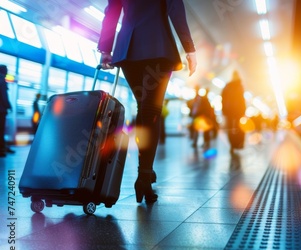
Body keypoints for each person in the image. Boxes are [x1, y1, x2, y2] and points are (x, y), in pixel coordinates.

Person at [98, 0, 197, 204]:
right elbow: (175, 8)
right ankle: (144, 176)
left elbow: (112, 12)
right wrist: (189, 48)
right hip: (158, 45)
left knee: (144, 108)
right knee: (151, 109)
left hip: (128, 47)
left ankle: (145, 174)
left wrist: (106, 48)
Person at [221, 71, 246, 154]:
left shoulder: (227, 86)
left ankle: (232, 144)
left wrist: (224, 109)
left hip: (229, 110)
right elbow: (242, 99)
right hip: (238, 110)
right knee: (239, 128)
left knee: (231, 128)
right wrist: (243, 110)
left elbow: (223, 98)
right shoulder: (240, 86)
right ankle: (238, 144)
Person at [0, 65, 12, 157]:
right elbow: (4, 96)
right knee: (1, 130)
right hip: (1, 110)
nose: (7, 71)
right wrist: (9, 106)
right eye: (6, 70)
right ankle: (2, 150)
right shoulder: (2, 80)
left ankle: (4, 147)